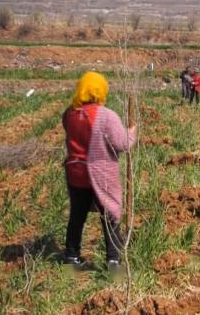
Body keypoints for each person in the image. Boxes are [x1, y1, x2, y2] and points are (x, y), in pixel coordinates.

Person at [62, 71, 137, 271]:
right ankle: (113, 260)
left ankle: (71, 256)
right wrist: (131, 133)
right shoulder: (106, 116)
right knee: (109, 215)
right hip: (101, 174)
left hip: (75, 172)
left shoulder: (70, 113)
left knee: (77, 215)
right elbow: (121, 144)